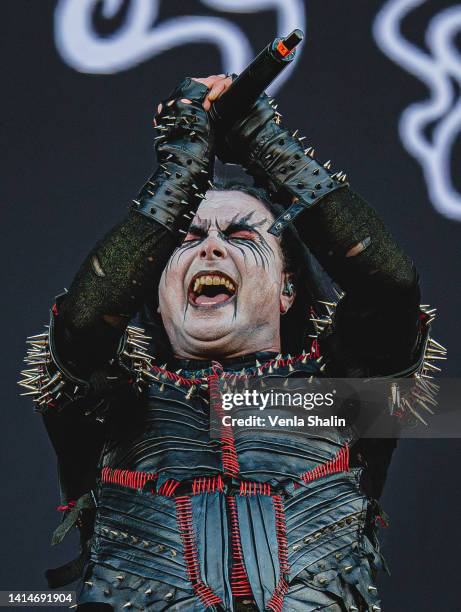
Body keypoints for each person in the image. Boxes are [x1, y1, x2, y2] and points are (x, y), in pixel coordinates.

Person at [20, 75, 442, 611]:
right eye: (185, 238)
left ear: (288, 286)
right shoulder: (108, 404)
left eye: (242, 236)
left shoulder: (342, 396)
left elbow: (390, 289)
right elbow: (80, 325)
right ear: (153, 281)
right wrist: (180, 174)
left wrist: (266, 143)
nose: (211, 249)